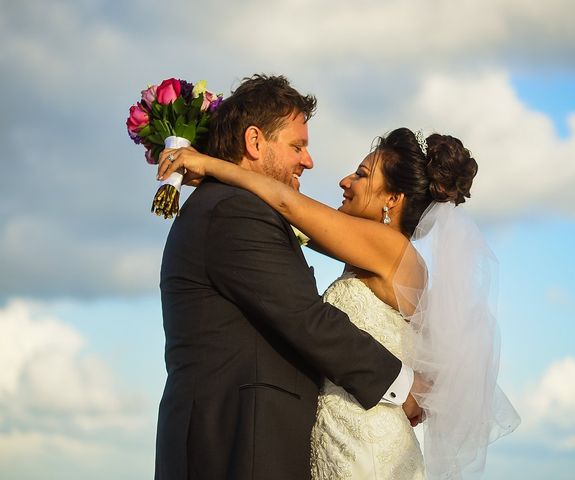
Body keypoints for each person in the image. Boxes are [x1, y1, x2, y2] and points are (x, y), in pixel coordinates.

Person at [158, 127, 520, 479]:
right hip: (340, 437)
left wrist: (208, 164)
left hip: (368, 445)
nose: (345, 181)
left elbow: (287, 204)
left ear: (392, 200)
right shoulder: (372, 251)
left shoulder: (390, 248)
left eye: (361, 175)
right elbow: (288, 218)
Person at [154, 75, 423, 480]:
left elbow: (294, 214)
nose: (309, 161)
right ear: (255, 141)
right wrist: (402, 385)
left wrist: (212, 166)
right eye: (297, 146)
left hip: (285, 442)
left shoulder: (238, 205)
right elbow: (305, 317)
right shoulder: (234, 210)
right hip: (239, 444)